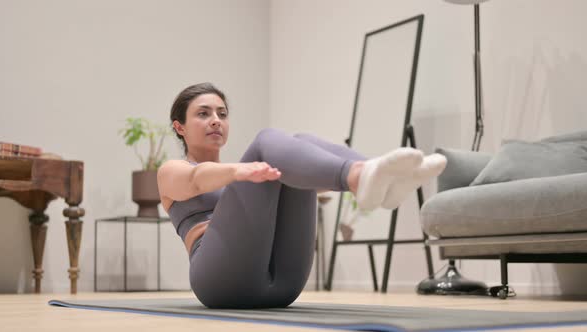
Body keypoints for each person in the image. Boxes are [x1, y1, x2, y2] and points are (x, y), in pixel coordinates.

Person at [157, 82, 447, 309]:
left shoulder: (246, 174)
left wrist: (288, 173)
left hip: (284, 285)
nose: (216, 120)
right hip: (220, 280)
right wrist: (242, 170)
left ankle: (378, 174)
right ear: (179, 127)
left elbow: (306, 184)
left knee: (301, 142)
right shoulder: (172, 170)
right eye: (203, 113)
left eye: (222, 114)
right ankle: (360, 175)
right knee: (266, 140)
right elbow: (196, 180)